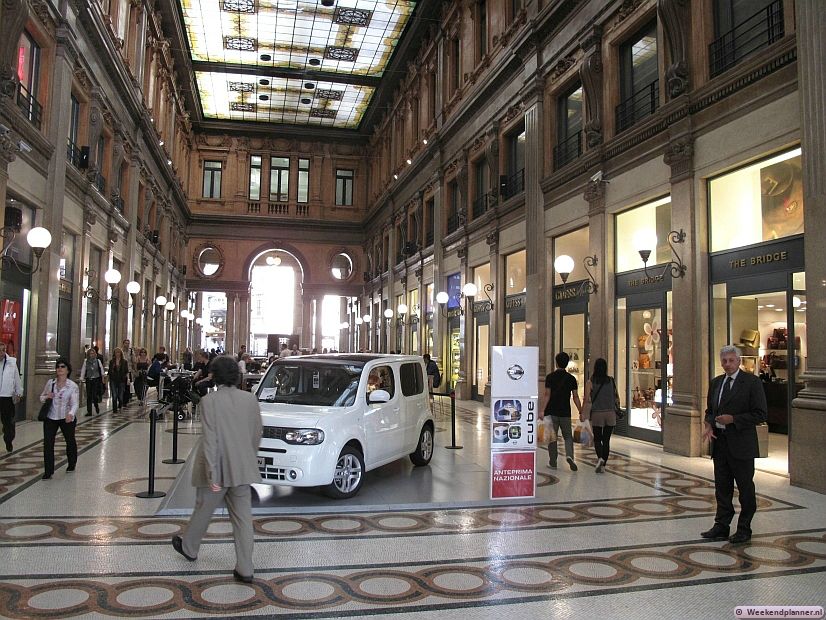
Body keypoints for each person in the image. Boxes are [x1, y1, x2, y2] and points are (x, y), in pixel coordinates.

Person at [171, 355, 263, 583]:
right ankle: (245, 568)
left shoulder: (209, 402)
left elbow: (211, 439)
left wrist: (213, 472)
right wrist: (248, 456)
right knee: (243, 519)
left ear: (215, 375)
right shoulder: (250, 399)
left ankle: (190, 548)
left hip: (218, 469)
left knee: (203, 509)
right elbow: (257, 432)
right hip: (242, 468)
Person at [701, 345, 768, 544]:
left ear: (739, 361)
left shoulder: (752, 383)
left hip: (742, 444)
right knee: (722, 487)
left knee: (745, 488)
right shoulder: (716, 383)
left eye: (731, 360)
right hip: (720, 444)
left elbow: (760, 414)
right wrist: (709, 424)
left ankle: (744, 527)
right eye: (724, 361)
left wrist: (734, 419)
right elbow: (709, 410)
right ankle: (721, 525)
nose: (727, 364)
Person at [539, 352, 582, 471]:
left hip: (551, 411)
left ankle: (553, 461)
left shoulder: (550, 377)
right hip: (565, 412)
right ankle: (569, 455)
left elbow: (547, 395)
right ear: (567, 363)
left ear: (556, 363)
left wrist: (542, 410)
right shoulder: (571, 379)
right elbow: (575, 396)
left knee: (552, 437)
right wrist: (580, 410)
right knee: (568, 436)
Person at [40, 357, 79, 480]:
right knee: (48, 443)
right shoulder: (50, 383)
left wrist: (71, 414)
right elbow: (41, 397)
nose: (60, 369)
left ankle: (72, 463)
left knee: (70, 440)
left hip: (65, 417)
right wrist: (47, 396)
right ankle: (48, 471)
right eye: (58, 367)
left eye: (62, 367)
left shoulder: (72, 386)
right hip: (51, 417)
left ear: (68, 370)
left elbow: (75, 403)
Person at [581, 358, 617, 473]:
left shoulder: (590, 382)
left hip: (597, 413)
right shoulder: (611, 380)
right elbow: (616, 397)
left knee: (597, 439)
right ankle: (603, 464)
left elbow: (586, 399)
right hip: (610, 413)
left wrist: (582, 412)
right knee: (606, 440)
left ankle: (600, 458)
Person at [0, 342, 24, 452]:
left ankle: (8, 439)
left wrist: (19, 392)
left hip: (7, 396)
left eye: (3, 350)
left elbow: (16, 379)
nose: (1, 353)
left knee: (7, 421)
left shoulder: (11, 362)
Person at [79, 348, 105, 416]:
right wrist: (81, 378)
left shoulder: (98, 361)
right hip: (89, 379)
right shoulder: (86, 361)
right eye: (90, 353)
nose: (92, 355)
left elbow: (101, 369)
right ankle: (89, 411)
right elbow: (83, 370)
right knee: (89, 395)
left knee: (94, 395)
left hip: (96, 379)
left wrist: (102, 377)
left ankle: (96, 405)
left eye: (93, 353)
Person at [107, 348, 130, 412]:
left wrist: (128, 379)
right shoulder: (112, 361)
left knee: (120, 396)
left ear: (121, 353)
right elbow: (109, 371)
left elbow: (126, 371)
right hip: (113, 380)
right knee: (114, 395)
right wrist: (107, 379)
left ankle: (120, 404)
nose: (117, 354)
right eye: (116, 352)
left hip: (121, 380)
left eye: (119, 352)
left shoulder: (124, 362)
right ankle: (114, 409)